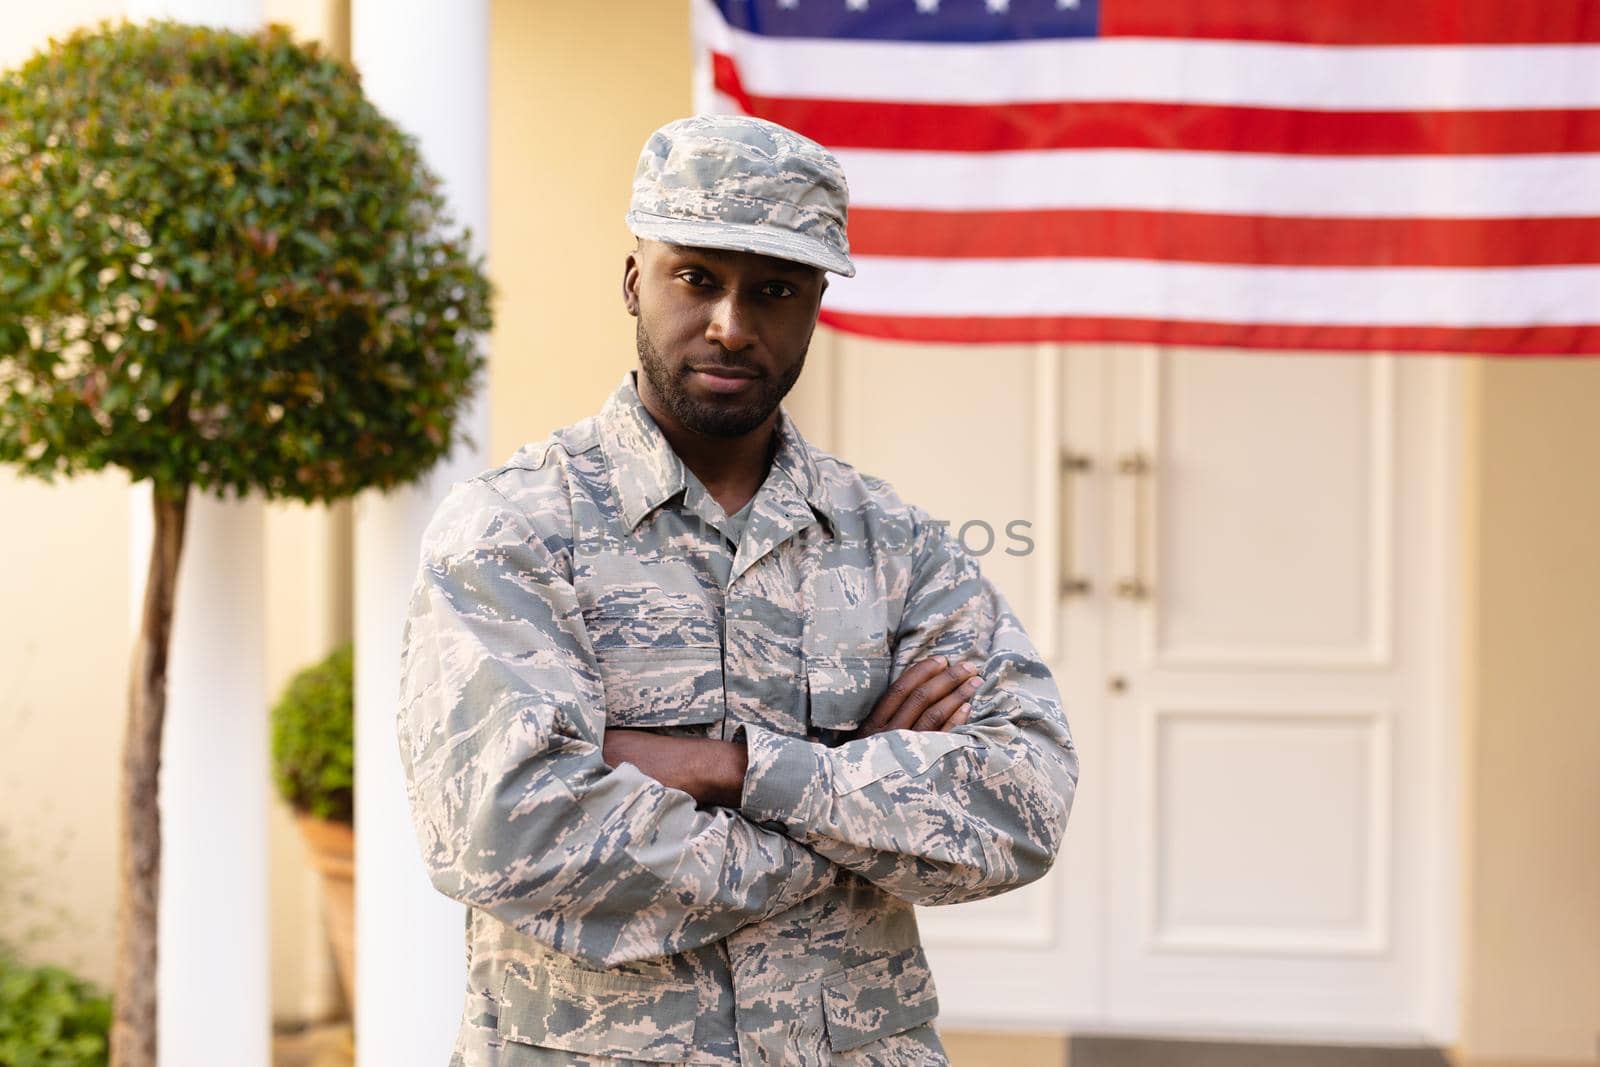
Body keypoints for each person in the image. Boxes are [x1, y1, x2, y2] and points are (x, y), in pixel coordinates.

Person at [396, 114, 1080, 1066]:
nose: (731, 324)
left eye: (774, 290)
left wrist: (737, 769)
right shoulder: (513, 532)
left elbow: (1023, 804)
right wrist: (851, 803)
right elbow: (507, 831)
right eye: (697, 278)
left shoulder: (898, 546)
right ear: (635, 280)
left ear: (814, 305)